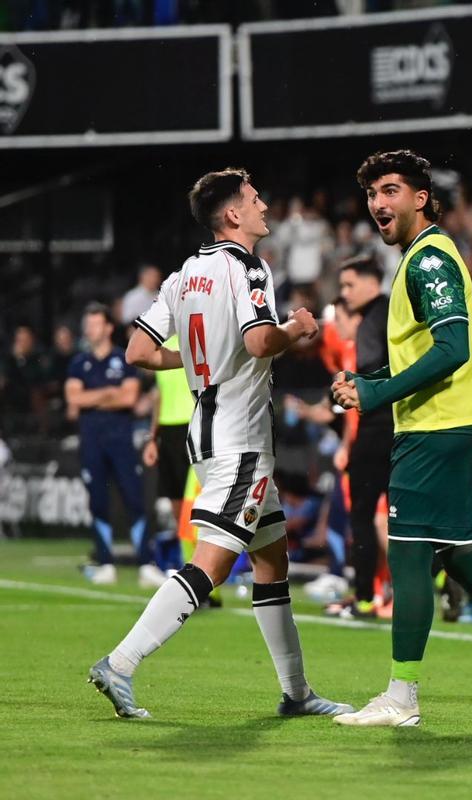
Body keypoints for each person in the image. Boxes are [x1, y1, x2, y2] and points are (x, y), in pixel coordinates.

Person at [87, 168, 351, 720]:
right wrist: (295, 329)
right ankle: (120, 662)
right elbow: (259, 341)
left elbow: (138, 351)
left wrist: (200, 357)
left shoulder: (185, 274)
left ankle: (297, 693)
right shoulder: (249, 267)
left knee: (272, 561)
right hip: (240, 440)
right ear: (232, 214)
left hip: (206, 434)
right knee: (212, 565)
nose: (263, 207)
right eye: (254, 200)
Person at [331, 149, 472, 729]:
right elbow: (429, 351)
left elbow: (454, 348)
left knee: (409, 557)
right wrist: (372, 382)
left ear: (421, 198)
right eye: (371, 194)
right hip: (452, 428)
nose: (377, 203)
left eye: (390, 190)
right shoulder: (424, 255)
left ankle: (401, 696)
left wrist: (380, 396)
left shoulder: (428, 259)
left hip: (433, 432)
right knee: (465, 558)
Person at [65, 303, 157, 587]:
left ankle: (146, 564)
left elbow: (130, 398)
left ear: (107, 327)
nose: (89, 329)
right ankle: (105, 563)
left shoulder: (123, 359)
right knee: (97, 501)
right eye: (87, 324)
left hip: (120, 441)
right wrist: (109, 393)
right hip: (91, 441)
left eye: (94, 324)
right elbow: (74, 400)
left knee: (134, 499)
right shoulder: (79, 362)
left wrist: (92, 397)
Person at [334, 256, 392, 619]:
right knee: (406, 520)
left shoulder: (372, 320)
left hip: (377, 429)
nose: (344, 293)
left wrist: (351, 385)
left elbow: (371, 373)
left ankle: (366, 597)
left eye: (349, 285)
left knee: (363, 514)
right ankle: (424, 591)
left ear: (372, 284)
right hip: (405, 428)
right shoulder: (395, 312)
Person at [141, 333, 194, 573]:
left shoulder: (193, 338)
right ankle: (187, 561)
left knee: (194, 502)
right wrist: (153, 438)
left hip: (193, 425)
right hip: (168, 430)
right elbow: (159, 396)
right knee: (176, 503)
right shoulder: (159, 345)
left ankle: (202, 562)